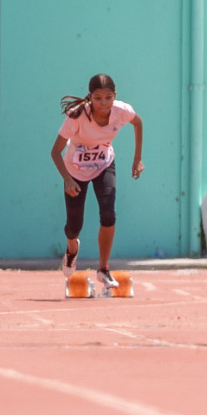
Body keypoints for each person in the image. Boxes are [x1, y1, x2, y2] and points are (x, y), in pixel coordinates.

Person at [50, 73, 144, 290]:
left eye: (108, 98)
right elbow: (55, 151)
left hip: (103, 165)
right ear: (90, 97)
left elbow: (138, 124)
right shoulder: (76, 116)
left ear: (115, 96)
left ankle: (103, 269)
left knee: (108, 214)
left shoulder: (122, 111)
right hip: (75, 171)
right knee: (74, 226)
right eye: (98, 98)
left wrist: (137, 159)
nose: (103, 103)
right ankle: (72, 250)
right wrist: (67, 179)